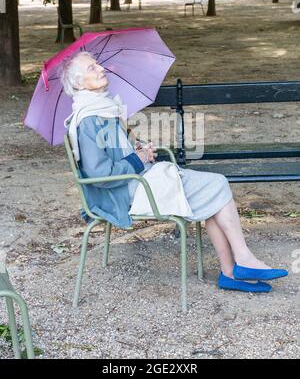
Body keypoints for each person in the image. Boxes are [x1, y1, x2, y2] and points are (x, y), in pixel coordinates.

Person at [61, 52, 288, 293]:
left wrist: (139, 149)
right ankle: (239, 263)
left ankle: (233, 270)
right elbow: (100, 175)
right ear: (78, 83)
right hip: (125, 191)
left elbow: (119, 152)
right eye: (91, 68)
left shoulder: (104, 109)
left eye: (97, 63)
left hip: (138, 180)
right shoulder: (88, 119)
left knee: (212, 191)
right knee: (217, 184)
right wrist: (137, 160)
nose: (100, 68)